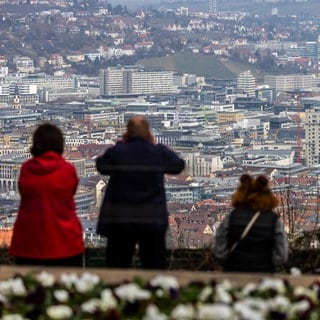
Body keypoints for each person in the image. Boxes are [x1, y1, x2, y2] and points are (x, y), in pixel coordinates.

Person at [96, 116, 185, 269]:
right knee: (154, 267)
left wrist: (121, 145)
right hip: (151, 218)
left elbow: (101, 166)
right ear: (149, 133)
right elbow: (177, 165)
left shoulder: (118, 152)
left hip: (121, 219)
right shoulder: (157, 152)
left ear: (127, 133)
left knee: (117, 267)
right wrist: (154, 145)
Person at [10, 123, 85, 266]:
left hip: (29, 240)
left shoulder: (27, 169)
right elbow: (72, 191)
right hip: (64, 239)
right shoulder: (67, 170)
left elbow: (23, 191)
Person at [214, 174, 288, 273]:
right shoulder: (273, 219)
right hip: (264, 272)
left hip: (234, 272)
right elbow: (282, 255)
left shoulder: (232, 217)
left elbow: (220, 251)